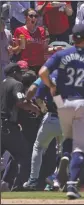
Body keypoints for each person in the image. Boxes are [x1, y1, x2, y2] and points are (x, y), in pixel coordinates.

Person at [38, 24, 84, 199]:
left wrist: (52, 86)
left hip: (63, 103)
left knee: (68, 138)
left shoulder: (61, 55)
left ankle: (64, 156)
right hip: (83, 103)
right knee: (80, 147)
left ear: (72, 37)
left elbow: (42, 72)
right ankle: (71, 185)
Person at [1, 63, 40, 191]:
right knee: (24, 156)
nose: (20, 76)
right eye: (19, 73)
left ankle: (7, 184)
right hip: (8, 128)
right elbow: (21, 102)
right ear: (14, 72)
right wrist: (34, 108)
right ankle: (18, 187)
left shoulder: (2, 84)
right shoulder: (16, 84)